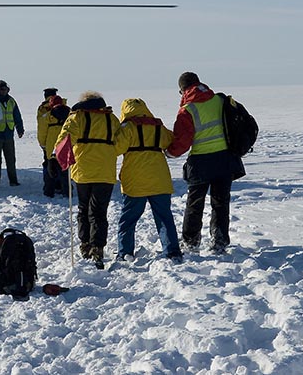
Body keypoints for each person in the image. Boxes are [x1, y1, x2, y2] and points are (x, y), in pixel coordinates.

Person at [166, 72, 245, 254]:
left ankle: (190, 241)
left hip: (200, 162)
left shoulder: (188, 110)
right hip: (225, 160)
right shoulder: (220, 100)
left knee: (194, 204)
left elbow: (182, 142)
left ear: (183, 90)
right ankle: (219, 241)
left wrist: (169, 153)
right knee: (220, 203)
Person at [53, 91, 120, 268]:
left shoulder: (77, 118)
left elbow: (64, 139)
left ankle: (85, 243)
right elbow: (119, 143)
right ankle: (98, 246)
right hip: (105, 172)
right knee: (99, 211)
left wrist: (58, 158)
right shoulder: (111, 119)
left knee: (84, 208)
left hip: (83, 171)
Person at [114, 98, 183, 263]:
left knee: (128, 219)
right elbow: (170, 141)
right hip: (159, 179)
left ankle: (125, 252)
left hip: (135, 181)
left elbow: (116, 148)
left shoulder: (127, 127)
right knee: (164, 217)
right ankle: (172, 251)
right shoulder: (157, 125)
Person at [0, 80, 24, 187]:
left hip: (8, 134)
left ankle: (13, 181)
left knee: (11, 159)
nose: (4, 91)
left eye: (5, 89)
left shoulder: (11, 101)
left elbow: (17, 116)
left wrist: (20, 129)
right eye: (1, 89)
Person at [38, 95, 70, 197]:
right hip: (65, 145)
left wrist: (43, 145)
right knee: (65, 170)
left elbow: (42, 133)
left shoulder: (47, 116)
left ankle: (49, 192)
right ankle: (67, 192)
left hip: (51, 146)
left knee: (50, 169)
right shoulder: (70, 114)